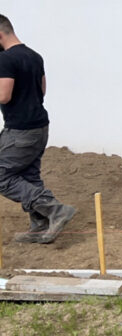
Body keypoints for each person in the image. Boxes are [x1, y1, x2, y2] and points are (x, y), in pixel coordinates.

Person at [0, 14, 75, 244]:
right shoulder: (34, 56)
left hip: (20, 130)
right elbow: (42, 90)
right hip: (40, 127)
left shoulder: (6, 60)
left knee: (2, 176)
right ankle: (39, 226)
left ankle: (55, 210)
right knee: (29, 175)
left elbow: (4, 96)